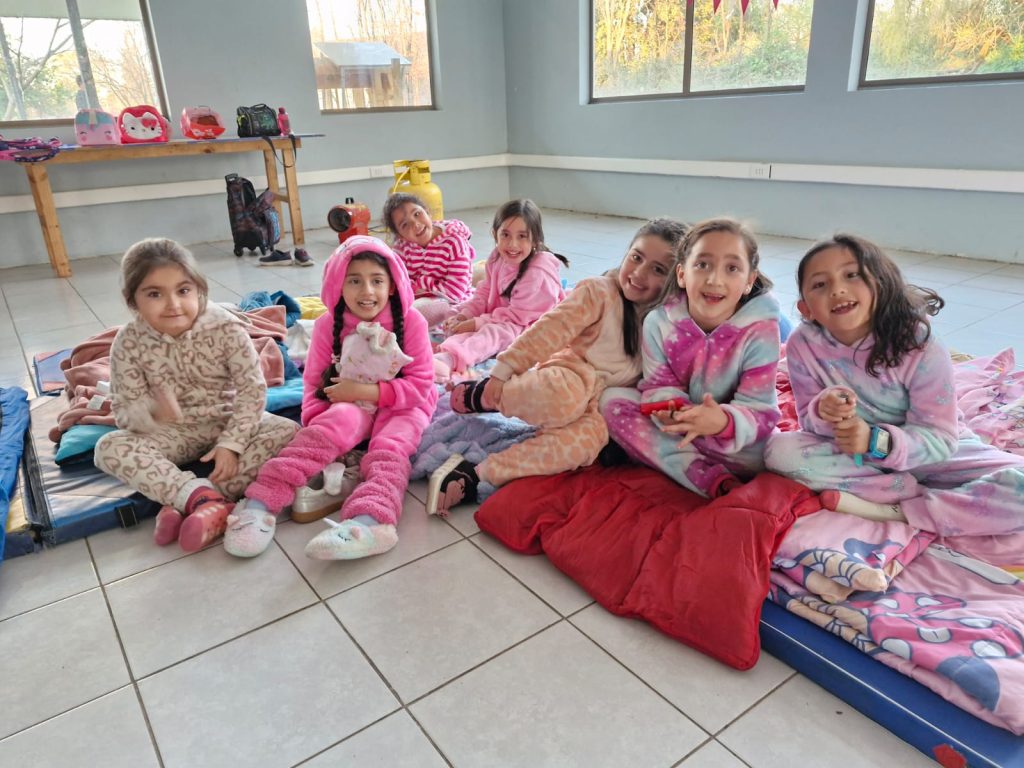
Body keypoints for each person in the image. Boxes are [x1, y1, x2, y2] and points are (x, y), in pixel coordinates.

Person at [764, 234, 1024, 538]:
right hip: (856, 461)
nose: (837, 289)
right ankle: (905, 493)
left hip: (930, 455)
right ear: (805, 308)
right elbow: (810, 424)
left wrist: (874, 440)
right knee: (778, 452)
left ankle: (902, 511)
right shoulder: (802, 343)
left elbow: (940, 439)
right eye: (820, 284)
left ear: (881, 285)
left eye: (852, 275)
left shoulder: (918, 344)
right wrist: (824, 410)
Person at [426, 218, 687, 516]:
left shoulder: (666, 323)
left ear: (676, 279)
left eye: (658, 269)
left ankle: (478, 474)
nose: (639, 273)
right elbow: (547, 331)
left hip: (601, 405)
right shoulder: (599, 292)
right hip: (567, 376)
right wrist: (502, 372)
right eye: (636, 258)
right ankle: (486, 394)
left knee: (584, 446)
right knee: (566, 396)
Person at [229, 235, 437, 559]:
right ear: (339, 284)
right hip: (349, 404)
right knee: (333, 424)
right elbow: (313, 382)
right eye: (354, 281)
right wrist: (323, 427)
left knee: (391, 443)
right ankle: (259, 503)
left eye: (376, 281)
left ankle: (371, 522)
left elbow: (421, 385)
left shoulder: (412, 322)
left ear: (392, 286)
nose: (367, 291)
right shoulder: (329, 324)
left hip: (404, 404)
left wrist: (364, 392)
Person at [93, 239, 299, 552]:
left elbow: (252, 390)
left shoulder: (225, 326)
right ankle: (200, 498)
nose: (173, 304)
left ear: (199, 290)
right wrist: (153, 411)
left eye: (183, 290)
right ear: (132, 301)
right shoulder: (128, 342)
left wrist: (231, 444)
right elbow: (124, 410)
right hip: (172, 433)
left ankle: (194, 503)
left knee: (287, 430)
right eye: (154, 294)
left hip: (226, 422)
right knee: (109, 447)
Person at [600, 218, 782, 498]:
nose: (714, 280)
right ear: (682, 274)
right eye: (703, 264)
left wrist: (721, 422)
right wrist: (675, 412)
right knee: (612, 401)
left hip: (738, 445)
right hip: (680, 431)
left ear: (749, 281)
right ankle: (708, 478)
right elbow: (658, 386)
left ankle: (671, 461)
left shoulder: (761, 331)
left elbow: (760, 410)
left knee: (777, 454)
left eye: (732, 268)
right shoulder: (659, 324)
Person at [432, 199, 569, 382]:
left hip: (530, 323)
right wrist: (466, 315)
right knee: (456, 311)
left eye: (522, 236)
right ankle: (431, 341)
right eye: (505, 234)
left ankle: (450, 358)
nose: (512, 244)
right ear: (495, 233)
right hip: (501, 313)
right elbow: (485, 291)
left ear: (535, 239)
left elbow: (518, 317)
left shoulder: (538, 273)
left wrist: (477, 323)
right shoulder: (497, 256)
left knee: (494, 333)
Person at [382, 192, 475, 327]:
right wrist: (416, 289)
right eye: (405, 224)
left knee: (412, 315)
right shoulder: (401, 248)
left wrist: (420, 284)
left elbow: (455, 293)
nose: (415, 224)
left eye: (417, 214)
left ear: (427, 212)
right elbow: (397, 282)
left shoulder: (454, 242)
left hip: (453, 303)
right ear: (400, 236)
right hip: (417, 298)